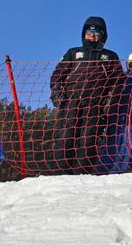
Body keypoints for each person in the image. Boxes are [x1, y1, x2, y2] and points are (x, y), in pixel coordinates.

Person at [49, 16, 124, 174]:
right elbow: (57, 75)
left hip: (95, 106)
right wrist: (57, 95)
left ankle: (82, 174)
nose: (92, 36)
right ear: (84, 34)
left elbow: (118, 83)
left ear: (103, 36)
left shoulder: (110, 57)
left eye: (97, 33)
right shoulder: (74, 53)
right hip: (70, 102)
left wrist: (108, 104)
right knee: (66, 136)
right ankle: (61, 173)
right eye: (89, 33)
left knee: (88, 140)